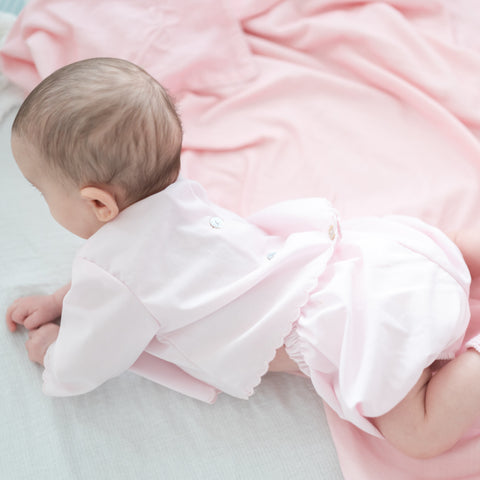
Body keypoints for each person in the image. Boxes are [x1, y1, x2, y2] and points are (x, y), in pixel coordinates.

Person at [5, 57, 480, 460]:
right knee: (440, 242)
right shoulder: (178, 197)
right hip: (372, 260)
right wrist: (58, 299)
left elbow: (88, 357)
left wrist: (52, 352)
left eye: (40, 190)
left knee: (419, 434)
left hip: (356, 326)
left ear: (98, 204)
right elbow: (121, 286)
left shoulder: (110, 273)